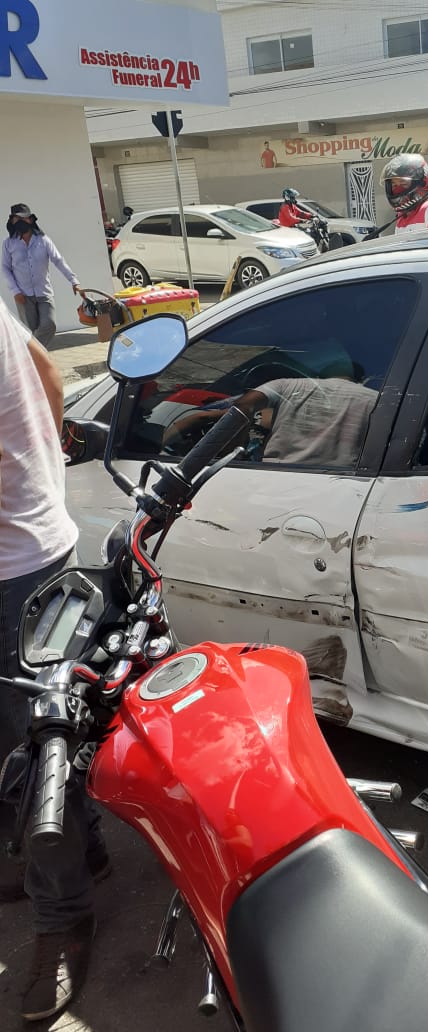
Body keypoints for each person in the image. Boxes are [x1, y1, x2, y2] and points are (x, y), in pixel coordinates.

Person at [0, 297, 109, 1022]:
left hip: (15, 569)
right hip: (33, 545)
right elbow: (44, 365)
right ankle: (84, 852)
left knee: (38, 751)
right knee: (43, 741)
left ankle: (63, 915)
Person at [164, 362, 378, 468]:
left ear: (319, 377)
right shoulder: (375, 400)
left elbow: (241, 407)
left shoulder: (287, 386)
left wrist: (232, 451)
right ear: (360, 379)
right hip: (341, 485)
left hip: (274, 476)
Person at [1, 204, 81, 349]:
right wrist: (15, 291)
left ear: (30, 219)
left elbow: (58, 260)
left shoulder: (43, 240)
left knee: (49, 324)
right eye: (16, 219)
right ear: (11, 221)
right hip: (23, 295)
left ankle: (29, 352)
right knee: (29, 330)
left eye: (23, 218)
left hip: (44, 292)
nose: (20, 222)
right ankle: (35, 356)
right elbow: (6, 268)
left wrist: (73, 281)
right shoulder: (8, 244)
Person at [379, 154, 428, 234]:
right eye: (394, 185)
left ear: (421, 183)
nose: (397, 189)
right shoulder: (402, 217)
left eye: (403, 184)